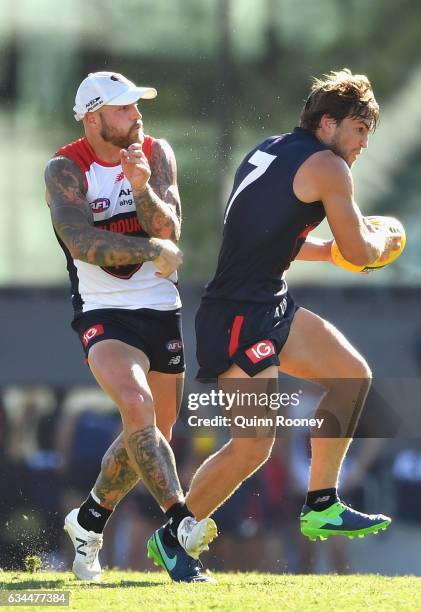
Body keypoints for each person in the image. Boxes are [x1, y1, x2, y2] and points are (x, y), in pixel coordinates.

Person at [146, 68, 400, 577]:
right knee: (252, 448)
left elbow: (263, 233)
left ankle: (323, 503)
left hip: (265, 303)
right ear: (328, 123)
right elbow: (360, 249)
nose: (362, 145)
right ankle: (172, 537)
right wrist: (384, 241)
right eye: (358, 131)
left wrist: (330, 253)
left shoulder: (272, 148)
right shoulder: (329, 165)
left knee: (352, 377)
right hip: (241, 315)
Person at [44, 71, 217, 583]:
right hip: (103, 312)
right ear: (93, 118)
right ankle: (180, 524)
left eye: (137, 106)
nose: (136, 116)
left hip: (161, 309)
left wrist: (141, 186)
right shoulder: (65, 168)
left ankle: (89, 522)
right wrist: (150, 251)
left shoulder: (155, 153)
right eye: (123, 109)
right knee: (138, 407)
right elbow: (79, 242)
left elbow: (169, 227)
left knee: (151, 437)